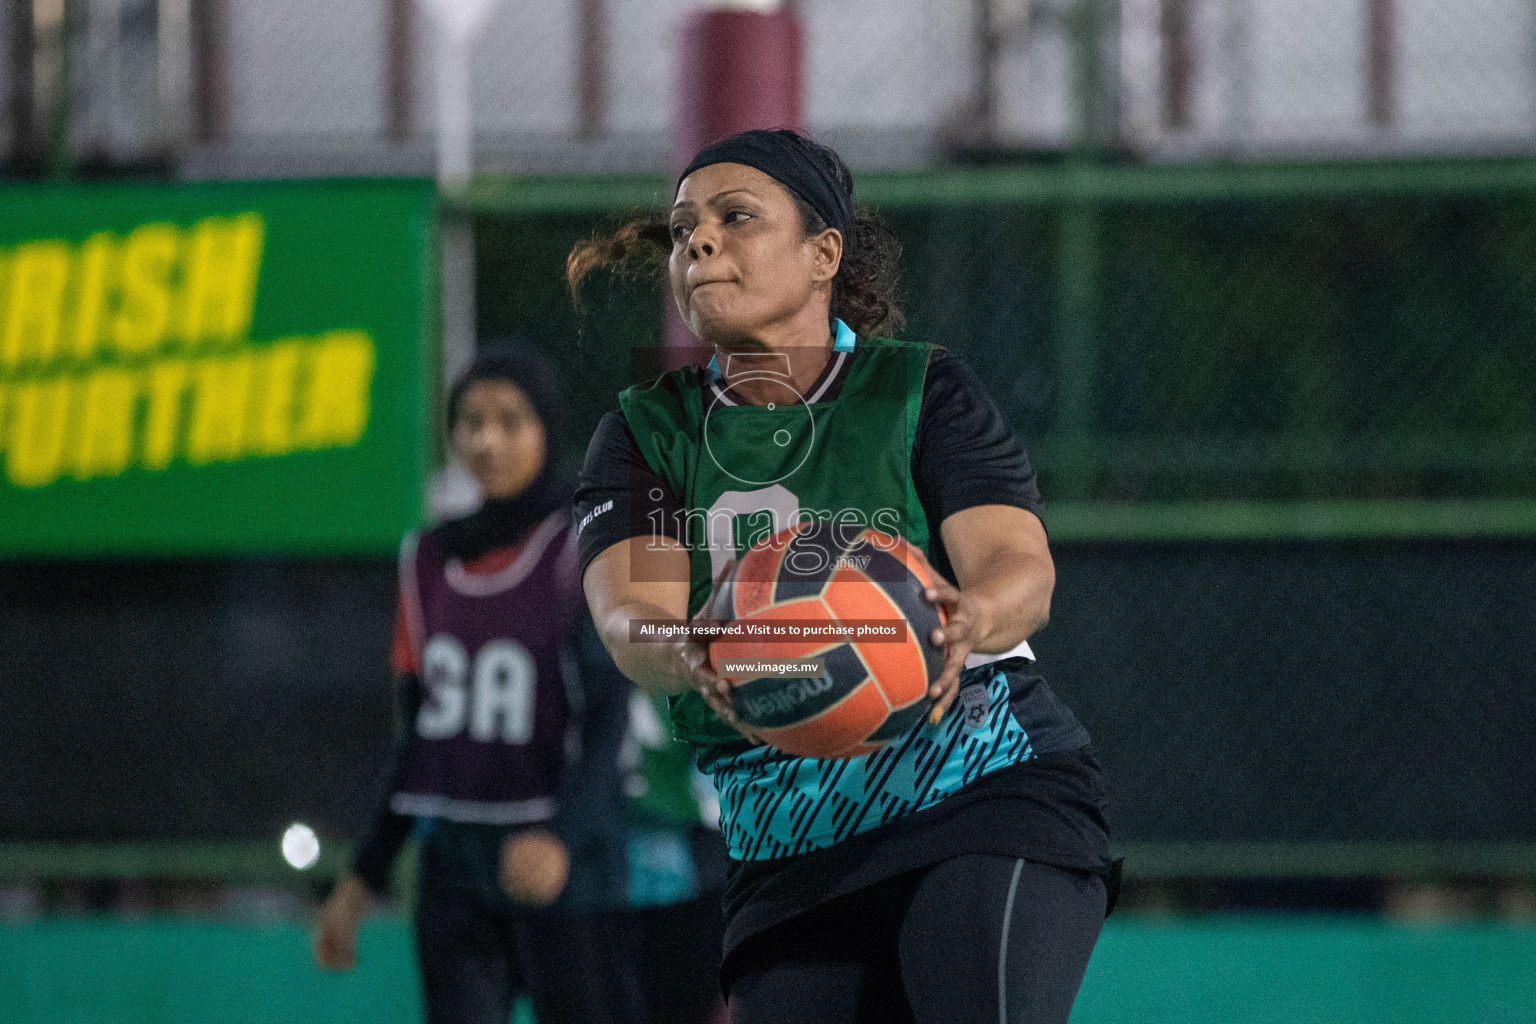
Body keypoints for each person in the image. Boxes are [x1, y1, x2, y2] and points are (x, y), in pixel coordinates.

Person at [570, 128, 1118, 1024]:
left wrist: (966, 616)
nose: (699, 241)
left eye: (736, 217)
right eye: (683, 229)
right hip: (786, 834)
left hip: (975, 784)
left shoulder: (918, 392)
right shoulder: (646, 430)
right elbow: (630, 618)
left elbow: (1023, 572)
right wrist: (695, 643)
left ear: (824, 252)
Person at [313, 345, 644, 1024]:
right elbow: (420, 738)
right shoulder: (427, 561)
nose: (487, 440)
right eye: (471, 422)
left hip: (565, 858)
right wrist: (364, 875)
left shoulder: (579, 550)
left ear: (547, 430)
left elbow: (610, 716)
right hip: (455, 865)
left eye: (510, 421)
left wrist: (559, 837)